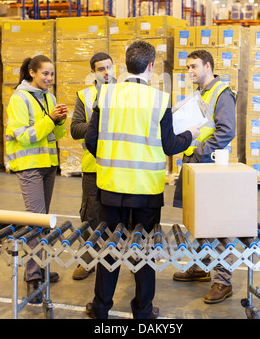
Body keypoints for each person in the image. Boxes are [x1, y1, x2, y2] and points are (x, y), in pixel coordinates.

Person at [84, 40, 201, 319]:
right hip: (145, 190)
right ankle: (143, 311)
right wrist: (191, 135)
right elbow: (171, 145)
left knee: (109, 247)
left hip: (111, 186)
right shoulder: (159, 99)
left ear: (126, 65)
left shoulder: (107, 95)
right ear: (151, 66)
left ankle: (101, 308)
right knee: (145, 251)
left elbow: (91, 140)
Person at [172, 49, 237, 304]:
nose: (190, 71)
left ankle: (223, 280)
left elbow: (226, 131)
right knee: (200, 221)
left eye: (194, 66)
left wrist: (199, 149)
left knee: (219, 224)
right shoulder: (199, 94)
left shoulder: (222, 93)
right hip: (196, 165)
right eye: (188, 67)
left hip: (210, 165)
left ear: (207, 66)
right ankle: (201, 265)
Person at [6, 55, 67, 303]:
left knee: (44, 220)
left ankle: (40, 267)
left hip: (48, 165)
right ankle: (32, 278)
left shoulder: (49, 98)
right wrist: (50, 119)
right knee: (34, 222)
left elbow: (55, 134)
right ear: (32, 72)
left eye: (52, 74)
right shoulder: (19, 98)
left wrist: (60, 121)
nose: (49, 79)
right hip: (29, 166)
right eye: (45, 74)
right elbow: (24, 136)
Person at [70, 52, 115, 280]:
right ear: (93, 73)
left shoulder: (126, 94)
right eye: (101, 69)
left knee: (119, 217)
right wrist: (99, 126)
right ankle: (87, 260)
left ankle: (115, 259)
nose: (107, 72)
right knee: (91, 215)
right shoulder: (85, 96)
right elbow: (75, 128)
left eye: (109, 67)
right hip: (93, 167)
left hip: (119, 166)